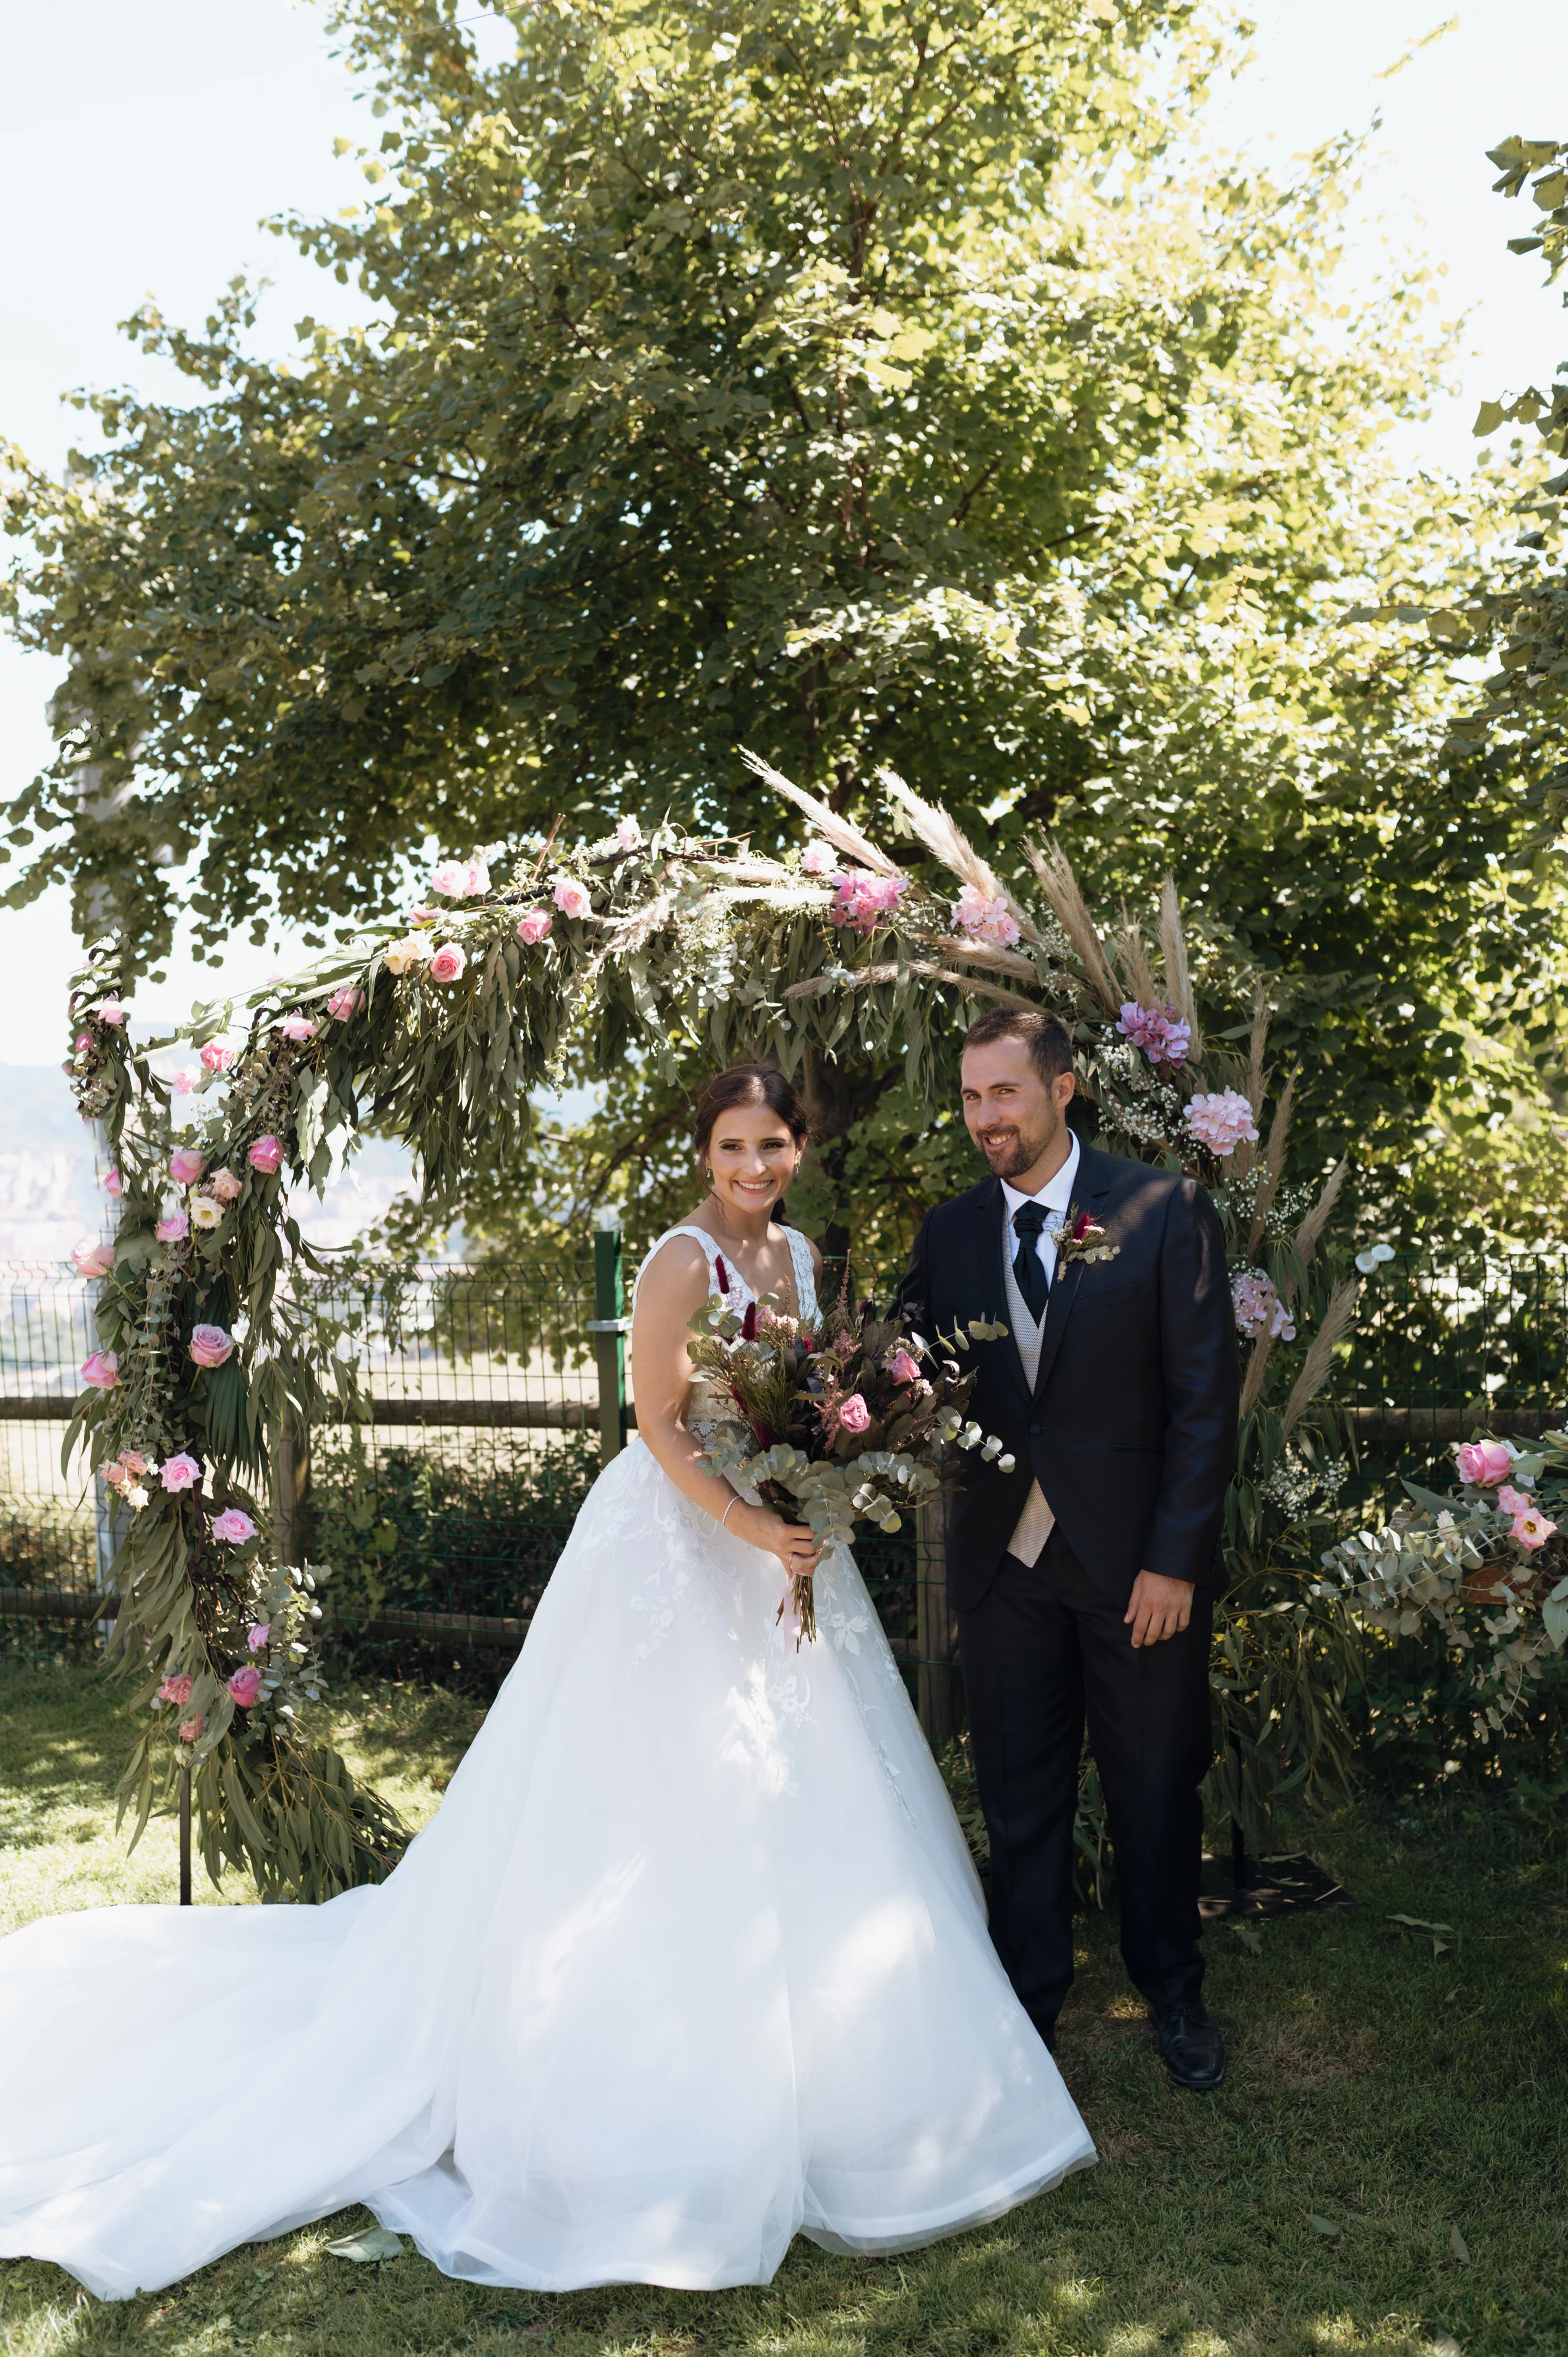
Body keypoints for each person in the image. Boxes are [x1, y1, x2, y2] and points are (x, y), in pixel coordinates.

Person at [0, 1062, 1093, 2303]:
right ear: (705, 1152)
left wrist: (813, 1480)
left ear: (799, 1147)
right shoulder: (682, 1258)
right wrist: (749, 1519)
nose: (754, 1164)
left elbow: (805, 1396)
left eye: (773, 1142)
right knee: (654, 1796)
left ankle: (855, 2075)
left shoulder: (794, 1251)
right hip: (683, 1547)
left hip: (779, 1537)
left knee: (817, 1787)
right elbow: (659, 1421)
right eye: (733, 1144)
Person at [900, 1010, 1238, 2090]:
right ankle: (1026, 2012)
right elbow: (899, 1376)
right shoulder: (950, 1235)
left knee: (1153, 1790)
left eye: (1004, 1093)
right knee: (1021, 1798)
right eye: (969, 1097)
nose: (984, 1117)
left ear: (1063, 1089)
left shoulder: (1159, 1208)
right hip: (1005, 1569)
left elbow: (1203, 1404)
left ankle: (1172, 1992)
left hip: (1139, 1570)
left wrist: (1175, 1562)